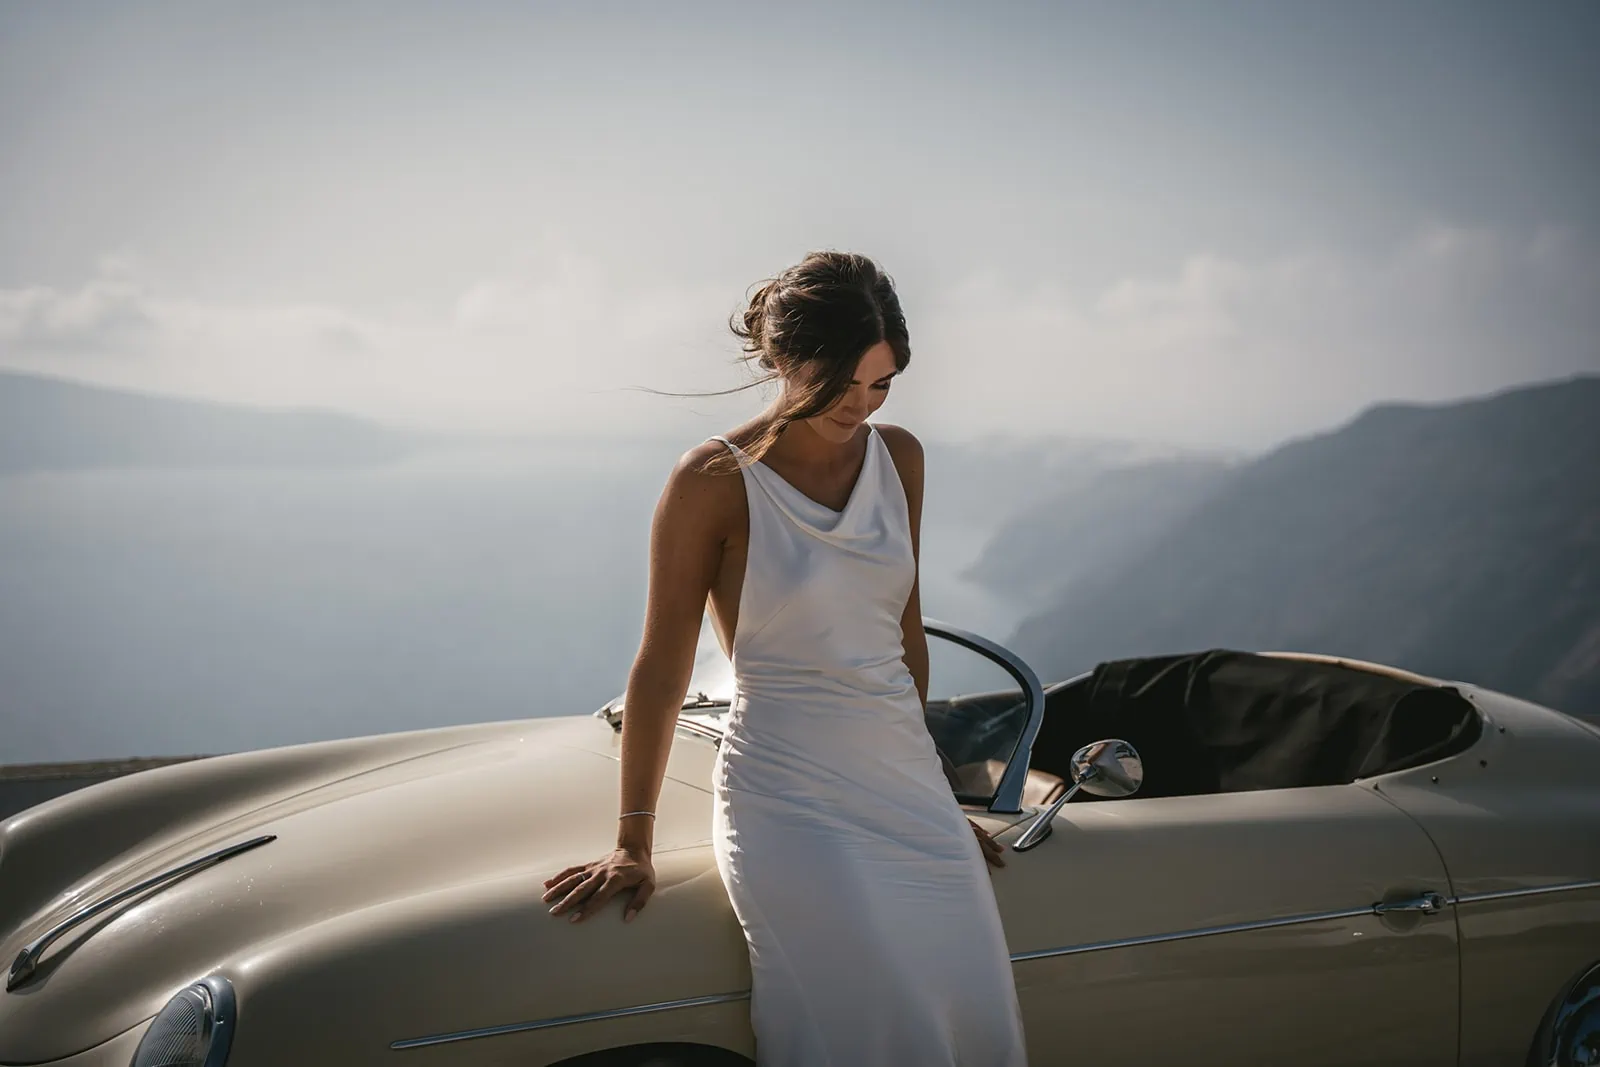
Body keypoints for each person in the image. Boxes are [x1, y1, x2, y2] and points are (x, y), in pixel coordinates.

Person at [541, 251, 1028, 1065]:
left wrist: (938, 791)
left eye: (881, 385)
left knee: (972, 1016)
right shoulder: (714, 479)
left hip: (909, 793)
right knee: (878, 1020)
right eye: (843, 383)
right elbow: (662, 668)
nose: (860, 405)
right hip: (791, 800)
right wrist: (634, 837)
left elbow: (902, 637)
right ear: (784, 359)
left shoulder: (898, 456)